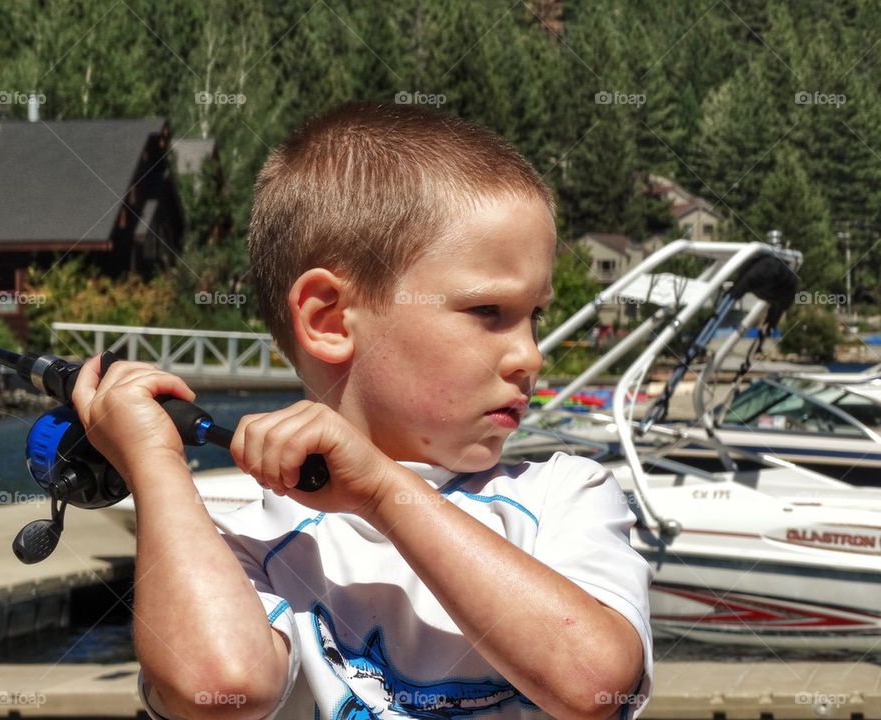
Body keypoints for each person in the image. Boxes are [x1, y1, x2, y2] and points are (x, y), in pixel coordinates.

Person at [72, 101, 653, 720]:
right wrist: (155, 464)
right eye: (489, 313)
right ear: (328, 320)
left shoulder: (567, 494)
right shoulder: (245, 548)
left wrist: (381, 491)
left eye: (533, 316)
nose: (530, 356)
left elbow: (593, 684)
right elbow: (221, 685)